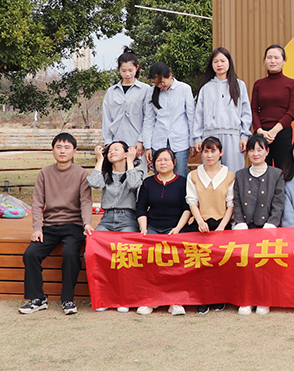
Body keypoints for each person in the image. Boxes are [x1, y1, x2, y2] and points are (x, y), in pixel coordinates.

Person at [20, 133, 93, 316]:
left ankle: (67, 299)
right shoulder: (45, 173)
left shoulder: (81, 174)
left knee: (70, 254)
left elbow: (86, 201)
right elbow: (37, 203)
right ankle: (38, 298)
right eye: (59, 147)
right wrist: (37, 228)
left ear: (74, 151)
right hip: (50, 226)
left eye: (67, 147)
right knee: (30, 253)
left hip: (73, 225)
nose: (62, 151)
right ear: (52, 149)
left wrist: (87, 224)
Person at [87, 140, 144, 314]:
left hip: (128, 218)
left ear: (126, 153)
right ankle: (104, 296)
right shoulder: (106, 174)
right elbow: (94, 182)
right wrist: (99, 160)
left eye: (116, 149)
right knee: (92, 252)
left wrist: (130, 162)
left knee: (128, 254)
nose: (111, 152)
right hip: (107, 218)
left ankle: (124, 297)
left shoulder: (136, 172)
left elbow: (134, 184)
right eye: (109, 150)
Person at [232, 133, 285, 316]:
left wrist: (272, 224)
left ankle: (264, 299)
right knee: (245, 266)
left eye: (259, 149)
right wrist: (239, 222)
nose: (255, 153)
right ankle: (245, 299)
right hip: (246, 227)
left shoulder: (276, 174)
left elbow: (279, 202)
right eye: (252, 150)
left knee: (265, 265)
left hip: (267, 229)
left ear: (267, 151)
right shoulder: (240, 175)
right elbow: (236, 202)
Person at [135, 148, 191, 316]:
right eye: (159, 160)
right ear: (154, 164)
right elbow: (141, 208)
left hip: (175, 228)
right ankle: (150, 300)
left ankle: (175, 301)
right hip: (152, 227)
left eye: (167, 160)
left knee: (175, 260)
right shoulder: (148, 183)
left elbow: (187, 208)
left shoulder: (183, 182)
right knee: (149, 260)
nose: (163, 163)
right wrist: (144, 229)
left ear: (174, 163)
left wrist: (177, 229)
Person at [186, 136, 235, 314]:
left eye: (213, 150)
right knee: (200, 264)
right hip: (200, 224)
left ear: (220, 153)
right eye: (206, 151)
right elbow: (192, 201)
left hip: (222, 224)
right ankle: (202, 298)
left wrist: (222, 226)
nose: (209, 154)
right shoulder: (193, 175)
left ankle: (219, 297)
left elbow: (231, 204)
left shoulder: (230, 176)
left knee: (220, 263)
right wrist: (200, 221)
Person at [193, 47, 251, 172]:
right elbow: (199, 115)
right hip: (210, 135)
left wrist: (244, 136)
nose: (219, 64)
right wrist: (197, 138)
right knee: (211, 173)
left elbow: (246, 113)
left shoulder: (239, 85)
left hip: (233, 137)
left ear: (229, 63)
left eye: (222, 61)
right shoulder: (206, 88)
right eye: (215, 61)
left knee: (234, 174)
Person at [142, 62, 195, 178]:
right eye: (156, 84)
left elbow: (191, 117)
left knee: (180, 176)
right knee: (160, 177)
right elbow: (149, 120)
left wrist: (193, 142)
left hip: (180, 141)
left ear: (170, 75)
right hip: (158, 141)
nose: (160, 86)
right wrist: (148, 146)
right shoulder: (151, 92)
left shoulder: (184, 89)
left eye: (162, 82)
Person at [250, 44, 294, 169]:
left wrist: (274, 131)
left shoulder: (291, 84)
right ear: (264, 60)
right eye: (269, 57)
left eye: (276, 57)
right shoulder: (258, 84)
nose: (272, 61)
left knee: (282, 170)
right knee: (261, 169)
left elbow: (292, 111)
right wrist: (260, 131)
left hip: (282, 132)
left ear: (283, 60)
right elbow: (253, 110)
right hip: (262, 133)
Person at [101, 47, 148, 164]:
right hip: (116, 143)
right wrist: (108, 141)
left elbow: (148, 118)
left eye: (130, 70)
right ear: (119, 70)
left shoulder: (145, 90)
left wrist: (142, 141)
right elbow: (106, 118)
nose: (127, 74)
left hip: (137, 144)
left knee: (137, 177)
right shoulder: (111, 92)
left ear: (137, 68)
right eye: (123, 70)